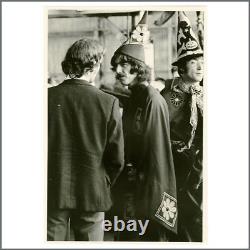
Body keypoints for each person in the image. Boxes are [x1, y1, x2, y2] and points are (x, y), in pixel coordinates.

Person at [47, 38, 124, 241]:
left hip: (52, 188)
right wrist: (104, 181)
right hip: (92, 190)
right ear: (94, 66)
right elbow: (116, 158)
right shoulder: (108, 102)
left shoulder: (46, 97)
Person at [110, 39, 177, 241]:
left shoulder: (152, 100)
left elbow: (157, 154)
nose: (119, 70)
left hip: (149, 188)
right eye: (116, 66)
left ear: (138, 68)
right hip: (133, 185)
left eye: (125, 64)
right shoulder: (135, 96)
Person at [161, 11, 204, 242]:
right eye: (193, 62)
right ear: (181, 69)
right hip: (172, 164)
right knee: (172, 216)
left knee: (196, 218)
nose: (199, 67)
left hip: (199, 166)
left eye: (202, 62)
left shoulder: (205, 94)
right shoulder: (167, 95)